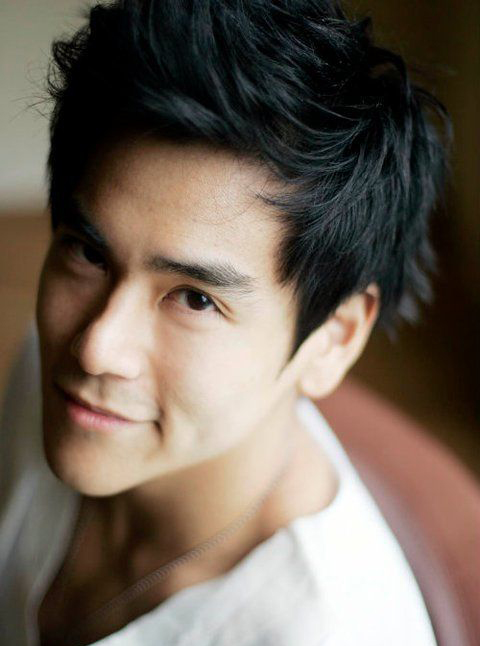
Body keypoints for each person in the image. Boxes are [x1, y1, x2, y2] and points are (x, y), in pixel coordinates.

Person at [0, 1, 451, 644]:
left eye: (194, 299)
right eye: (88, 253)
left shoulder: (325, 631)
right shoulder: (64, 380)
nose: (96, 346)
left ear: (335, 338)